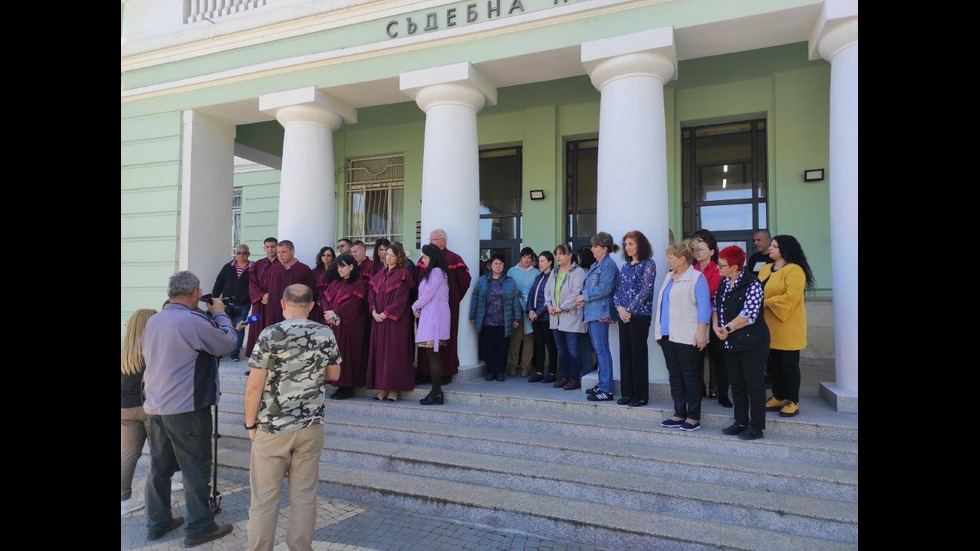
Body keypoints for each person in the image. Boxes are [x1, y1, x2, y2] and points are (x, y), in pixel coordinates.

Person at [141, 271, 236, 546]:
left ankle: (156, 522)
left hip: (156, 404)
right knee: (195, 468)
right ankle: (199, 527)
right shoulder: (192, 320)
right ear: (195, 293)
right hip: (186, 406)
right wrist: (219, 313)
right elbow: (228, 343)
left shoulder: (154, 320)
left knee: (159, 467)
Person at [244, 284, 342, 551]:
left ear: (283, 304)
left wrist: (250, 424)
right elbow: (334, 375)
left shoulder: (269, 333)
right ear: (311, 306)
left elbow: (254, 386)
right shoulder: (325, 333)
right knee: (304, 497)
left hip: (272, 427)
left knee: (264, 498)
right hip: (311, 426)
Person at [712, 245, 770, 440]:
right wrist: (715, 327)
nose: (718, 267)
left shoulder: (753, 283)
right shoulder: (724, 282)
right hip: (730, 342)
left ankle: (756, 426)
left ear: (735, 267)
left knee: (753, 383)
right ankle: (740, 421)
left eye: (722, 265)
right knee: (736, 383)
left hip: (752, 342)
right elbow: (716, 307)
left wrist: (726, 329)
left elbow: (749, 315)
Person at [654, 240, 711, 432]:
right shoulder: (669, 277)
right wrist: (659, 331)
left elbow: (705, 307)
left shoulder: (697, 278)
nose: (668, 261)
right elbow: (662, 305)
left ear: (682, 259)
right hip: (668, 334)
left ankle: (694, 416)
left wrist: (701, 332)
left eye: (670, 258)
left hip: (688, 335)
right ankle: (679, 413)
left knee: (690, 376)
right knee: (675, 375)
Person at [758, 234, 814, 418]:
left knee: (788, 365)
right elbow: (757, 291)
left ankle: (792, 400)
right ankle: (779, 396)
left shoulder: (795, 270)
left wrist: (767, 302)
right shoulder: (765, 269)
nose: (770, 248)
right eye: (771, 245)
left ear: (784, 249)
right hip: (768, 325)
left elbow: (792, 297)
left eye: (774, 246)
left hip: (788, 325)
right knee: (772, 365)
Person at [416, 229, 472, 384]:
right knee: (425, 340)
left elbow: (465, 281)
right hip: (425, 308)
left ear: (443, 241)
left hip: (445, 307)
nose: (430, 242)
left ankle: (446, 373)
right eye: (430, 239)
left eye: (433, 239)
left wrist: (452, 299)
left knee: (445, 340)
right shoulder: (424, 258)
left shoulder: (454, 258)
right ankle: (425, 372)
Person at [366, 242, 417, 401]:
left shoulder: (403, 273)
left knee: (394, 354)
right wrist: (374, 311)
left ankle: (394, 389)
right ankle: (382, 388)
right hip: (378, 320)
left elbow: (401, 298)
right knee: (380, 353)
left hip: (395, 321)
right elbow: (371, 295)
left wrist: (386, 313)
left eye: (392, 255)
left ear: (399, 257)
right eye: (387, 254)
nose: (388, 258)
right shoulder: (380, 274)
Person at [612, 230, 657, 407]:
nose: (628, 247)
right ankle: (627, 393)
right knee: (625, 354)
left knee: (638, 355)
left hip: (639, 316)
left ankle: (640, 396)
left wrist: (628, 310)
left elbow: (645, 291)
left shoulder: (649, 264)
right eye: (626, 244)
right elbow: (618, 290)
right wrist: (619, 308)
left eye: (631, 244)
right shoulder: (626, 266)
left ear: (640, 245)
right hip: (624, 316)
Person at [576, 232, 620, 402]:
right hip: (593, 311)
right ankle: (602, 384)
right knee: (599, 348)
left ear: (604, 248)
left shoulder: (608, 265)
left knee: (602, 350)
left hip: (601, 312)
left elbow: (605, 288)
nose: (592, 249)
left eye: (595, 246)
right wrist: (584, 299)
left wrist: (584, 297)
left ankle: (606, 390)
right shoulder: (598, 264)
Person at [121, 308, 158, 516]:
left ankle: (123, 501)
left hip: (124, 409)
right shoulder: (151, 349)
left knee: (126, 455)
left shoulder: (124, 350)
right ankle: (160, 497)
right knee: (159, 454)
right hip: (148, 408)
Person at [470, 252, 524, 381]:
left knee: (502, 348)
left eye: (500, 264)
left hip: (503, 321)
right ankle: (490, 371)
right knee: (488, 347)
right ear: (490, 265)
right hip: (486, 321)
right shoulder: (482, 281)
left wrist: (517, 318)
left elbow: (516, 300)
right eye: (495, 263)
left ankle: (500, 372)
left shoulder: (510, 282)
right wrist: (472, 316)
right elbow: (475, 298)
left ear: (503, 266)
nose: (498, 266)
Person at [322, 254, 368, 400]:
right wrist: (328, 314)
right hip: (336, 325)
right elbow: (326, 298)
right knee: (336, 354)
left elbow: (354, 304)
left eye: (342, 266)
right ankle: (338, 384)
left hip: (350, 325)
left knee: (347, 355)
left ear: (351, 267)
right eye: (338, 267)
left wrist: (335, 313)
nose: (339, 269)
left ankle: (347, 387)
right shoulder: (336, 282)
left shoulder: (359, 283)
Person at [693, 229, 730, 407]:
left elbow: (712, 291)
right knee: (696, 354)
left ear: (711, 251)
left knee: (717, 356)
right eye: (696, 248)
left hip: (714, 315)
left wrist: (698, 293)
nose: (698, 252)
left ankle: (718, 390)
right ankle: (699, 388)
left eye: (702, 248)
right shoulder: (691, 269)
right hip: (695, 317)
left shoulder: (716, 269)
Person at [544, 244, 588, 390]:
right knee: (561, 349)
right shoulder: (554, 272)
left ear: (570, 255)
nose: (558, 257)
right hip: (555, 317)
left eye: (561, 254)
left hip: (571, 316)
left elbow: (576, 293)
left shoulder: (578, 272)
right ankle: (565, 377)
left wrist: (561, 307)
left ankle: (575, 379)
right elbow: (547, 290)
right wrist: (548, 304)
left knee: (573, 349)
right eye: (556, 254)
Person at [413, 244, 451, 405]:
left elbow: (428, 294)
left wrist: (415, 305)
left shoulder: (436, 272)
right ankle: (437, 393)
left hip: (434, 316)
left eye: (426, 256)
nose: (423, 259)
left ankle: (436, 393)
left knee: (433, 355)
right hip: (432, 314)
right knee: (432, 355)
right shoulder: (436, 272)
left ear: (433, 257)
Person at [211, 244, 252, 362]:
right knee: (222, 326)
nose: (241, 255)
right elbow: (219, 282)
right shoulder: (228, 267)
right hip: (227, 303)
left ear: (248, 254)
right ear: (235, 254)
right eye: (239, 253)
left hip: (244, 303)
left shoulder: (253, 267)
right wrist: (214, 298)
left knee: (240, 326)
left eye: (244, 253)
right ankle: (220, 351)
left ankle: (235, 352)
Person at [506, 247, 540, 377]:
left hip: (531, 309)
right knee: (515, 339)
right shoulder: (511, 271)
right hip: (516, 308)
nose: (527, 259)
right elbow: (508, 289)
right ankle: (512, 367)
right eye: (525, 256)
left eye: (529, 257)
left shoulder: (536, 272)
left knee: (529, 339)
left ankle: (526, 367)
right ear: (520, 257)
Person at [526, 251, 558, 384]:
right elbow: (531, 294)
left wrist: (537, 313)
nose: (540, 263)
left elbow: (549, 299)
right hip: (536, 318)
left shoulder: (553, 277)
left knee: (550, 345)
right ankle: (539, 371)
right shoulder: (538, 277)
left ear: (550, 262)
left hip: (547, 318)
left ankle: (551, 372)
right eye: (539, 261)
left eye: (543, 261)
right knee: (538, 345)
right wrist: (530, 311)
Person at [245, 237, 279, 358]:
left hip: (276, 305)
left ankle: (273, 366)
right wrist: (262, 295)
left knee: (274, 332)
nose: (270, 249)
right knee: (257, 331)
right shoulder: (258, 264)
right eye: (268, 247)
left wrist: (272, 295)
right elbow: (252, 283)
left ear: (277, 247)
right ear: (264, 248)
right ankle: (257, 366)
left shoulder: (282, 264)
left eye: (273, 246)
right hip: (260, 304)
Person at [310, 246, 336, 324]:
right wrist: (317, 300)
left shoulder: (337, 271)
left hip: (332, 303)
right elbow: (312, 287)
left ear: (333, 257)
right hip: (317, 303)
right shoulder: (314, 271)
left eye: (329, 255)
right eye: (323, 255)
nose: (326, 257)